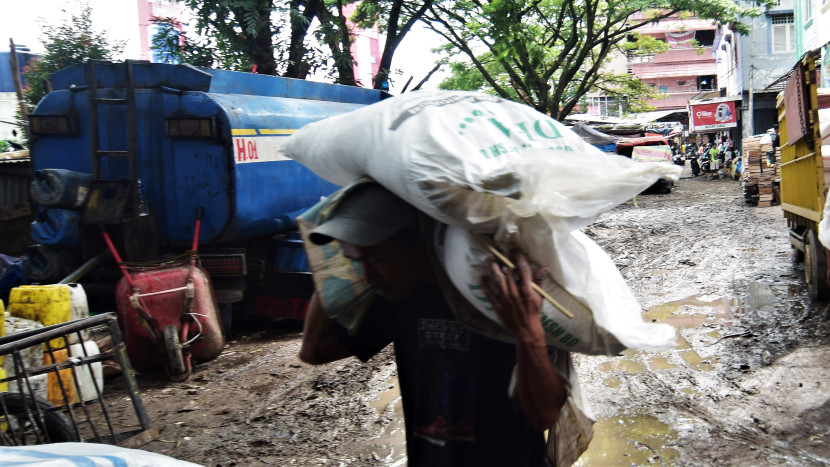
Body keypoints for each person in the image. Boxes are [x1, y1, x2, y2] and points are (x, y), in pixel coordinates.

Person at [299, 183, 566, 466]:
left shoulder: (500, 295)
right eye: (357, 261)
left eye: (378, 259)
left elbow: (544, 415)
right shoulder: (396, 294)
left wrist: (528, 334)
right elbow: (315, 350)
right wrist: (332, 274)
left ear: (420, 242)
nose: (369, 276)